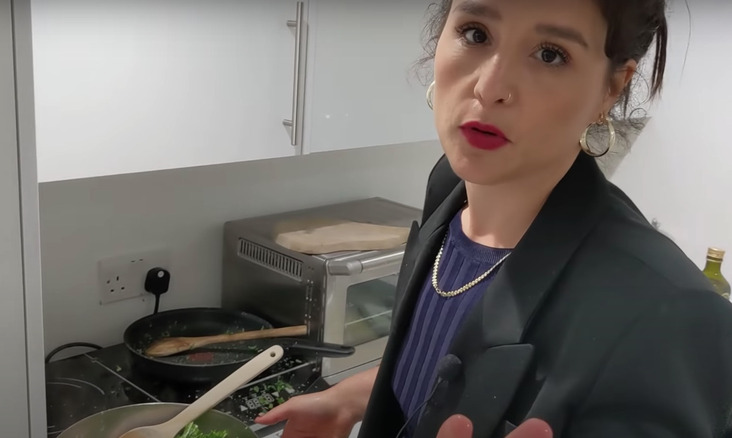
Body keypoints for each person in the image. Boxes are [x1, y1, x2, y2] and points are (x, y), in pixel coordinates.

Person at [256, 0, 732, 437]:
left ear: (611, 87)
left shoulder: (668, 312)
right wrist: (349, 399)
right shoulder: (450, 187)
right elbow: (448, 349)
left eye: (550, 54)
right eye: (476, 33)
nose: (490, 87)